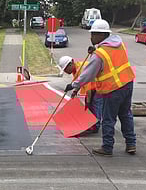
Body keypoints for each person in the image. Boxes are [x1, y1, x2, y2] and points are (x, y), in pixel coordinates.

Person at [64, 19, 136, 156]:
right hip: (127, 83)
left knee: (108, 118)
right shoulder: (119, 44)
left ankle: (107, 147)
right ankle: (131, 144)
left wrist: (73, 85)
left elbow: (88, 75)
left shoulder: (99, 55)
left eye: (93, 34)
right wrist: (96, 49)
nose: (91, 37)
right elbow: (111, 55)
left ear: (101, 35)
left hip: (112, 89)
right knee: (126, 114)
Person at [58, 55, 103, 135]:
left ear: (70, 64)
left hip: (97, 86)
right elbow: (79, 81)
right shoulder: (76, 69)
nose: (65, 72)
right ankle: (91, 123)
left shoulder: (81, 69)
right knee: (88, 105)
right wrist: (75, 91)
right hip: (92, 87)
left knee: (95, 106)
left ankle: (96, 126)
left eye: (65, 69)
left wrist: (88, 102)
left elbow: (88, 88)